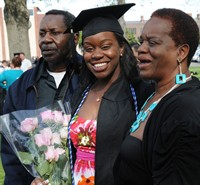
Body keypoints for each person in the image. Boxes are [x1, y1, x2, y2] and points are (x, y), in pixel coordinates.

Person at [31, 3, 154, 185]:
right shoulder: (81, 92)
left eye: (105, 47)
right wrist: (50, 176)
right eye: (89, 49)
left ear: (121, 48)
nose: (96, 55)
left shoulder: (140, 92)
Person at [117, 8, 200, 185]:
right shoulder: (155, 94)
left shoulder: (183, 110)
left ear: (181, 52)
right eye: (141, 41)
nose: (141, 49)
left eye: (152, 43)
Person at [1, 9, 82, 185]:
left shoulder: (91, 80)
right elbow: (10, 149)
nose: (46, 39)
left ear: (74, 38)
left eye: (55, 33)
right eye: (42, 33)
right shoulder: (21, 88)